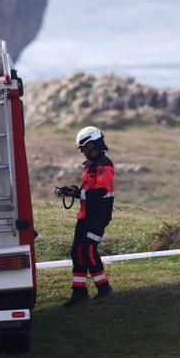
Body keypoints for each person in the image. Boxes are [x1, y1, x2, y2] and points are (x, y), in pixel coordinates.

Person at [60, 125, 116, 307]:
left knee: (88, 249)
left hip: (98, 217)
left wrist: (77, 194)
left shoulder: (104, 164)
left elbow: (100, 191)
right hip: (86, 215)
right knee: (77, 251)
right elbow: (90, 189)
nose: (82, 152)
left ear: (92, 145)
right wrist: (74, 190)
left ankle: (104, 288)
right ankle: (79, 292)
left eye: (83, 148)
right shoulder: (91, 165)